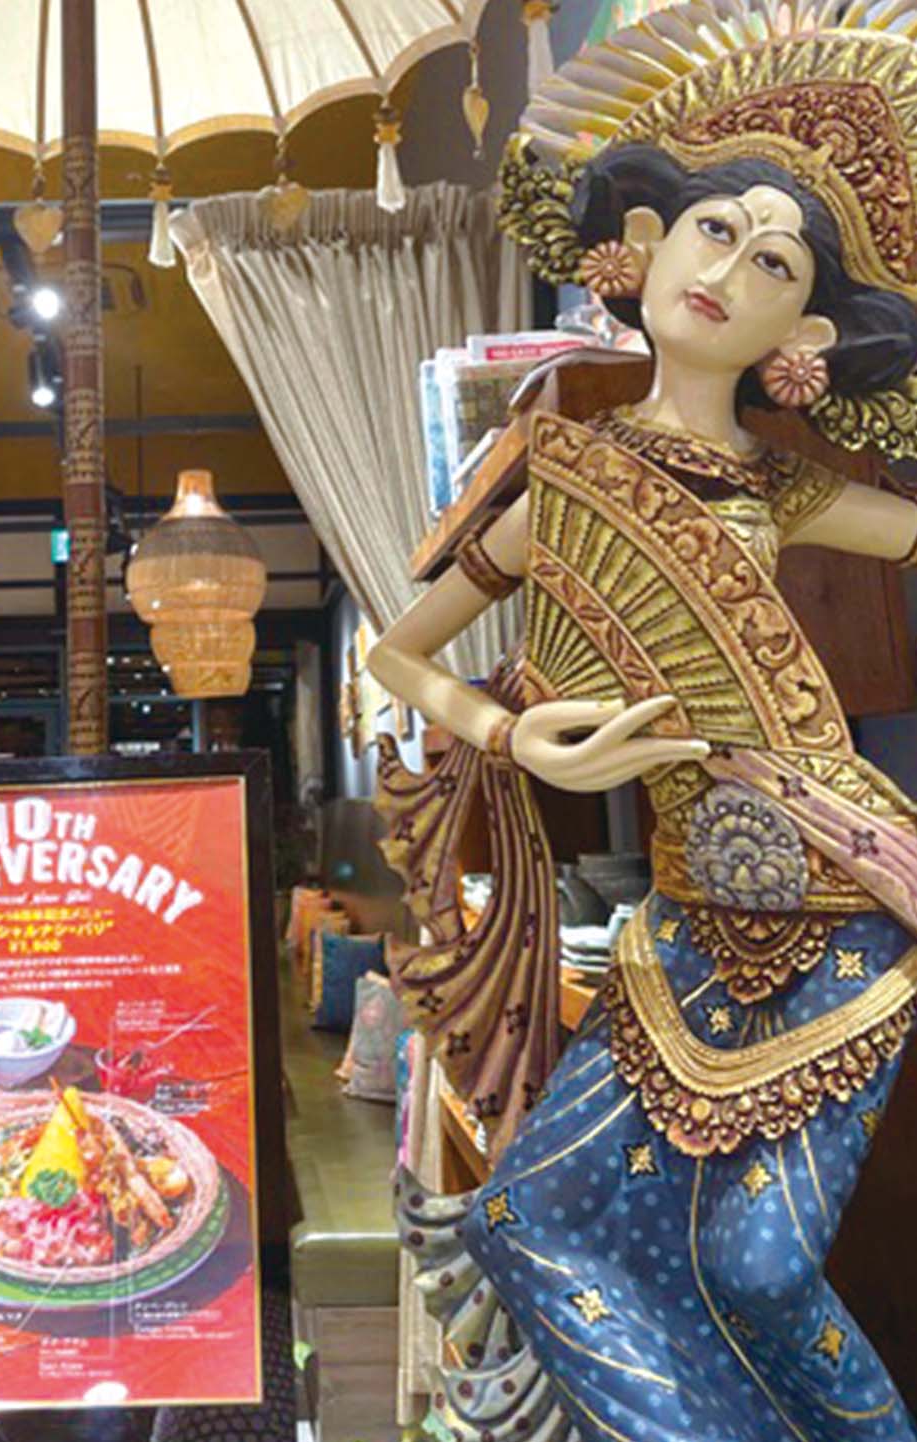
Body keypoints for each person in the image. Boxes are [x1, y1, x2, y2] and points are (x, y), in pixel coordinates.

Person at [368, 4, 917, 1438]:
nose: (727, 271)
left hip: (845, 899)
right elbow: (399, 653)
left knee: (759, 1269)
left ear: (805, 334)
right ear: (648, 241)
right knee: (529, 1222)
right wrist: (514, 738)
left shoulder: (787, 489)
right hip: (680, 916)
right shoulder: (555, 473)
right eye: (715, 231)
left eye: (775, 264)